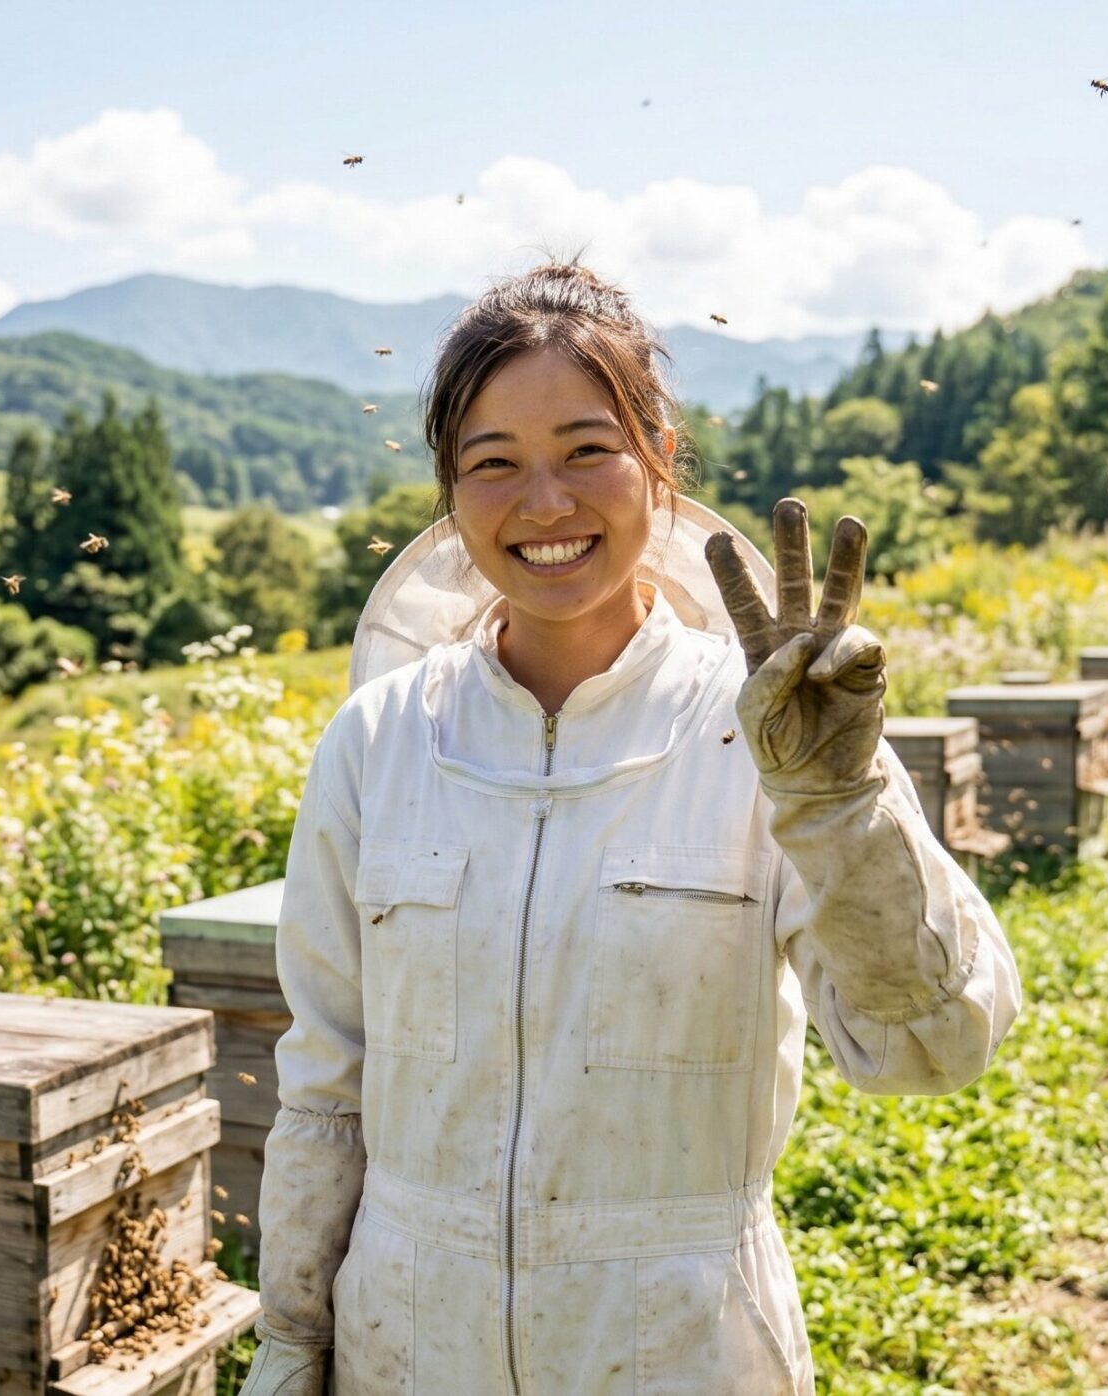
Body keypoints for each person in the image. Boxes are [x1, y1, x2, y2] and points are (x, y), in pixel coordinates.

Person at [236, 263, 1021, 1396]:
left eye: (586, 449)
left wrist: (840, 810)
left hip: (678, 1346)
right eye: (492, 463)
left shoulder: (770, 724)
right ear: (450, 495)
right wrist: (291, 1342)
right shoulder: (378, 741)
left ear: (659, 462)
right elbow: (326, 1089)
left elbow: (931, 1047)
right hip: (409, 1346)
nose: (543, 503)